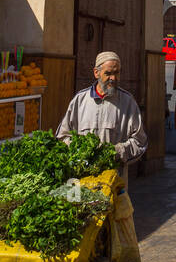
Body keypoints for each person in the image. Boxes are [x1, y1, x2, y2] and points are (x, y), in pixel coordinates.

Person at [56, 51, 148, 186]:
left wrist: (117, 152)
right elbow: (62, 137)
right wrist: (79, 150)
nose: (113, 78)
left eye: (117, 73)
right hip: (80, 179)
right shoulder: (80, 100)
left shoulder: (128, 102)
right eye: (108, 73)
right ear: (96, 73)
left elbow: (140, 142)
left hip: (114, 181)